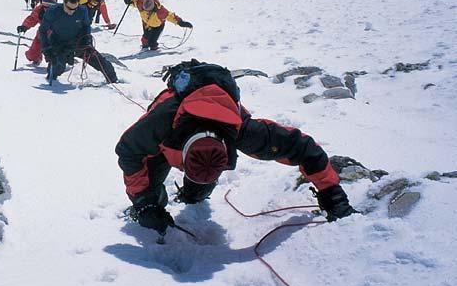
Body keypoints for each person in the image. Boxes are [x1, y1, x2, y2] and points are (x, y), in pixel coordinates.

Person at [115, 60, 357, 236]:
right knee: (150, 195)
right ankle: (154, 206)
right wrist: (144, 201)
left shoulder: (241, 130)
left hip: (201, 138)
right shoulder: (161, 122)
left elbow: (301, 147)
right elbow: (129, 152)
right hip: (166, 139)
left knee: (198, 191)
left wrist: (331, 192)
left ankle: (192, 195)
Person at [39, 0, 118, 84]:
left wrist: (87, 39)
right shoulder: (53, 12)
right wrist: (47, 49)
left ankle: (114, 81)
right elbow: (43, 31)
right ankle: (53, 79)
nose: (72, 11)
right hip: (58, 43)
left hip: (78, 42)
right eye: (69, 8)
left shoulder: (82, 11)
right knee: (57, 67)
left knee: (102, 63)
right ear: (64, 2)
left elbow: (86, 26)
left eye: (74, 9)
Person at [123, 0, 192, 50]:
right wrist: (129, 0)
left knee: (152, 42)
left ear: (153, 7)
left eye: (148, 10)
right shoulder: (141, 3)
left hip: (158, 26)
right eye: (145, 9)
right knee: (145, 39)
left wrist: (181, 22)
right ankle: (144, 49)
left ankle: (154, 52)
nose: (146, 11)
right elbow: (135, 1)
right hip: (147, 24)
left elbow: (171, 16)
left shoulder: (161, 11)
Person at [16, 0, 57, 65]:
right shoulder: (39, 10)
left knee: (56, 56)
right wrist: (25, 26)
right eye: (45, 7)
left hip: (56, 37)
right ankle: (37, 58)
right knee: (31, 55)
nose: (46, 9)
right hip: (41, 36)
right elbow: (32, 19)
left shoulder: (59, 12)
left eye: (49, 7)